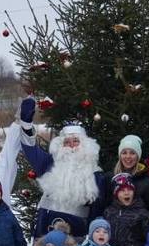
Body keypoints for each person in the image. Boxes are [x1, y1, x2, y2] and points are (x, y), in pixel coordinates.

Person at [16, 96, 106, 238]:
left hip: (78, 236)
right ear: (60, 145)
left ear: (85, 145)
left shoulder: (96, 174)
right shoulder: (49, 163)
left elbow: (97, 212)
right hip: (46, 233)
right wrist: (26, 124)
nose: (71, 145)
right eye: (67, 142)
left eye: (76, 141)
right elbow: (30, 149)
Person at [104, 134, 149, 205]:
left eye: (132, 153)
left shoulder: (145, 179)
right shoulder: (109, 177)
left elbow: (148, 206)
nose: (128, 156)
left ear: (138, 156)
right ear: (120, 155)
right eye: (124, 153)